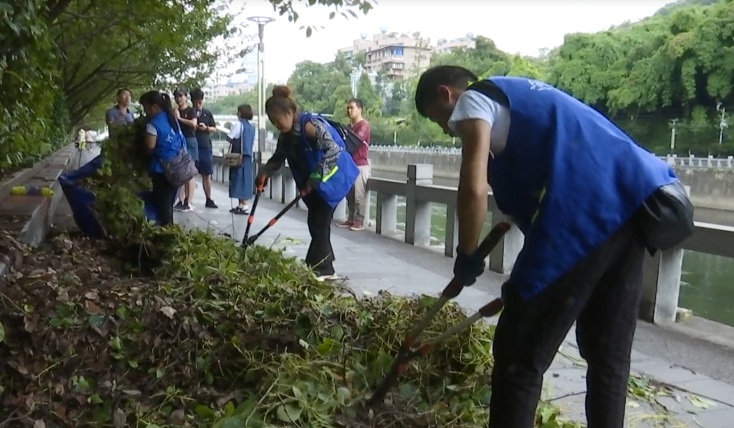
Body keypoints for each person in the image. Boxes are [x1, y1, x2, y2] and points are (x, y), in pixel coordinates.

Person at [414, 66, 688, 428]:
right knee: (608, 355)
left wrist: (466, 253)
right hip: (627, 208)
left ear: (447, 95)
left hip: (583, 213)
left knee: (519, 353)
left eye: (441, 122)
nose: (450, 130)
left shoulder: (474, 100)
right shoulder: (523, 101)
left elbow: (473, 188)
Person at [257, 85, 360, 281]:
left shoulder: (310, 125)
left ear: (290, 112)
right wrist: (264, 173)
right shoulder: (285, 136)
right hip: (312, 186)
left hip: (331, 179)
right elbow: (278, 158)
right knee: (316, 223)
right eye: (272, 121)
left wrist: (317, 175)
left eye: (278, 120)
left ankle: (321, 269)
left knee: (319, 223)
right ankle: (323, 266)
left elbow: (335, 149)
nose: (276, 125)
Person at [139, 90, 186, 227]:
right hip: (179, 167)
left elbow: (149, 147)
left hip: (163, 171)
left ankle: (167, 233)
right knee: (169, 203)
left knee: (164, 206)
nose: (145, 112)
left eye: (146, 108)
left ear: (154, 107)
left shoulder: (153, 124)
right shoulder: (171, 118)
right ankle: (168, 229)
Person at [336, 98, 371, 231]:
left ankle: (359, 220)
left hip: (360, 164)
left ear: (360, 109)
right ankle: (351, 218)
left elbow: (355, 141)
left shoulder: (364, 125)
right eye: (348, 108)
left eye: (352, 108)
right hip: (349, 164)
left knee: (359, 194)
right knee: (349, 193)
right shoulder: (349, 127)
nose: (349, 110)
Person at [190, 88, 218, 209]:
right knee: (189, 174)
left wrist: (206, 128)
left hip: (205, 145)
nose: (198, 104)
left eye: (200, 102)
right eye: (196, 102)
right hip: (191, 145)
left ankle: (209, 198)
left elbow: (214, 128)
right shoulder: (189, 112)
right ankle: (187, 199)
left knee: (207, 174)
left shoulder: (207, 113)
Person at [173, 87, 199, 212]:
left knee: (190, 171)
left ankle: (188, 201)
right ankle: (181, 199)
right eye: (177, 96)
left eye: (181, 96)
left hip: (189, 140)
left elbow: (194, 124)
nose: (179, 98)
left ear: (186, 97)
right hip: (179, 142)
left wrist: (179, 119)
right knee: (181, 171)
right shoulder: (174, 111)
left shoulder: (191, 110)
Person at [226, 104, 255, 214]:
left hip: (238, 157)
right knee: (245, 180)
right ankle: (242, 205)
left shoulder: (238, 125)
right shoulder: (250, 127)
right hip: (247, 157)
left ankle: (243, 205)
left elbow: (230, 137)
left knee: (237, 179)